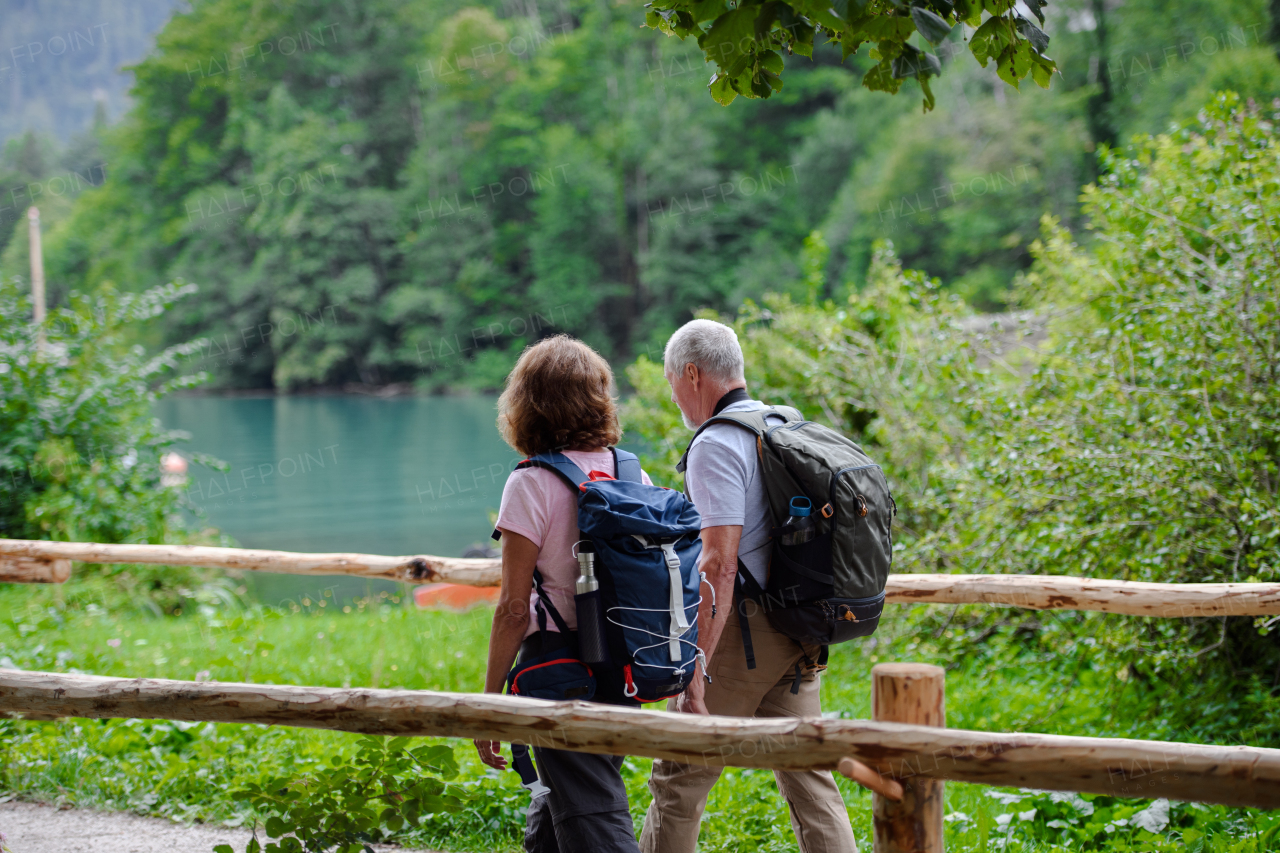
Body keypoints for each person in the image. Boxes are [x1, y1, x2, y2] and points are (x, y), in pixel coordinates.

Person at [640, 319, 858, 853]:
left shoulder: (716, 444)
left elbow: (718, 565)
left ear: (691, 373)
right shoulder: (781, 423)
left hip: (744, 634)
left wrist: (696, 666)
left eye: (672, 382)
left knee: (679, 775)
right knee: (809, 773)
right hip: (799, 626)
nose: (673, 396)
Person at [474, 334, 653, 853]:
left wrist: (488, 700)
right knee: (563, 799)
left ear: (526, 405)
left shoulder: (530, 483)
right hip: (622, 666)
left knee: (593, 814)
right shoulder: (629, 470)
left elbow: (512, 608)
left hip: (555, 669)